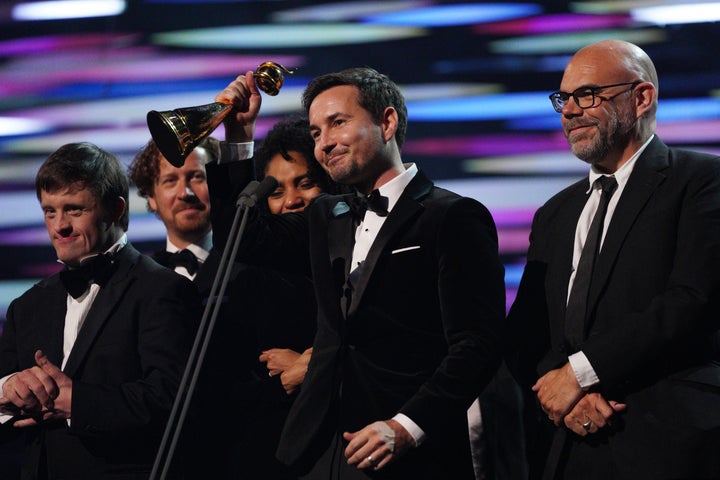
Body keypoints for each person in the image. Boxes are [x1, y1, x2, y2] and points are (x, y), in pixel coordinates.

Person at [217, 67, 506, 479]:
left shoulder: (453, 216)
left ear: (387, 122)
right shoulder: (326, 215)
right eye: (316, 133)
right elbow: (242, 241)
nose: (325, 143)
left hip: (406, 452)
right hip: (320, 448)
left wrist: (406, 427)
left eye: (338, 123)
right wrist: (239, 136)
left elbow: (477, 344)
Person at [506, 39, 720, 480]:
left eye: (587, 95)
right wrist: (564, 389)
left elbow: (693, 300)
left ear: (641, 98)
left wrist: (582, 373)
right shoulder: (555, 213)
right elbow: (527, 331)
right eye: (563, 98)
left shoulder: (701, 181)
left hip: (670, 440)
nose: (568, 111)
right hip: (569, 443)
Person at [128, 112, 333, 478]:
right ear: (151, 198)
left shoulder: (270, 266)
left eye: (198, 176)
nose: (187, 191)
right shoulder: (135, 285)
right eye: (170, 180)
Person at [0, 142, 200, 480]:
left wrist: (77, 402)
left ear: (115, 210)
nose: (58, 226)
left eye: (74, 209)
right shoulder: (27, 307)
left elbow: (173, 400)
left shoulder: (162, 289)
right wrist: (7, 390)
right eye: (50, 211)